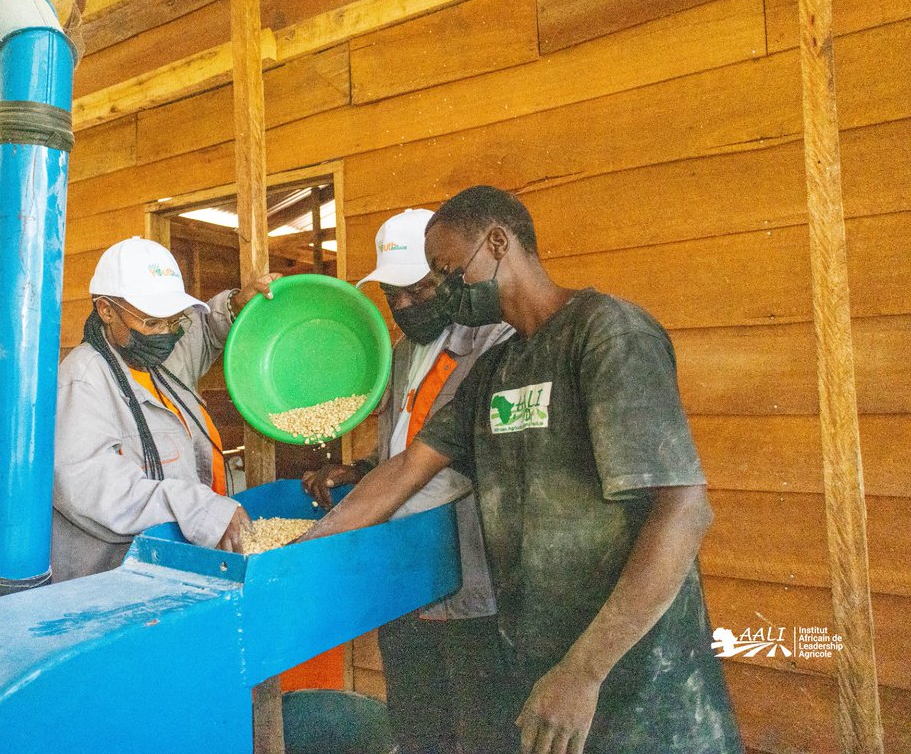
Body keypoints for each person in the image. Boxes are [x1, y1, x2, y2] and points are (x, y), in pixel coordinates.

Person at [302, 187, 743, 754]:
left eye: (446, 271)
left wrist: (583, 672)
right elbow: (407, 469)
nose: (443, 290)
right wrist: (305, 549)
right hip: (542, 657)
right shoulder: (496, 370)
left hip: (635, 668)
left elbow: (684, 510)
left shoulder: (606, 334)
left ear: (497, 242)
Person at [302, 209, 515, 754]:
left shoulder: (495, 343)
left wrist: (342, 526)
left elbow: (455, 463)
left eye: (417, 291)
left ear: (447, 277)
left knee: (479, 724)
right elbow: (403, 442)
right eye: (392, 295)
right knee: (416, 719)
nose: (402, 306)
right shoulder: (402, 352)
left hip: (468, 570)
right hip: (400, 572)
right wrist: (361, 470)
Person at [52, 236, 279, 581]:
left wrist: (234, 305)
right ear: (106, 310)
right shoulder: (83, 379)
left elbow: (203, 330)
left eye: (173, 321)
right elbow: (94, 486)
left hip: (182, 562)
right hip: (118, 581)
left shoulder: (155, 356)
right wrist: (199, 508)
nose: (166, 334)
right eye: (153, 323)